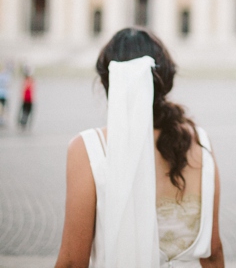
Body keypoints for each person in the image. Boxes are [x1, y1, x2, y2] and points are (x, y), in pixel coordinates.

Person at [55, 27, 224, 267]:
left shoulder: (87, 149)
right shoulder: (200, 142)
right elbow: (213, 250)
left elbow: (73, 261)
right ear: (165, 80)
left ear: (107, 81)